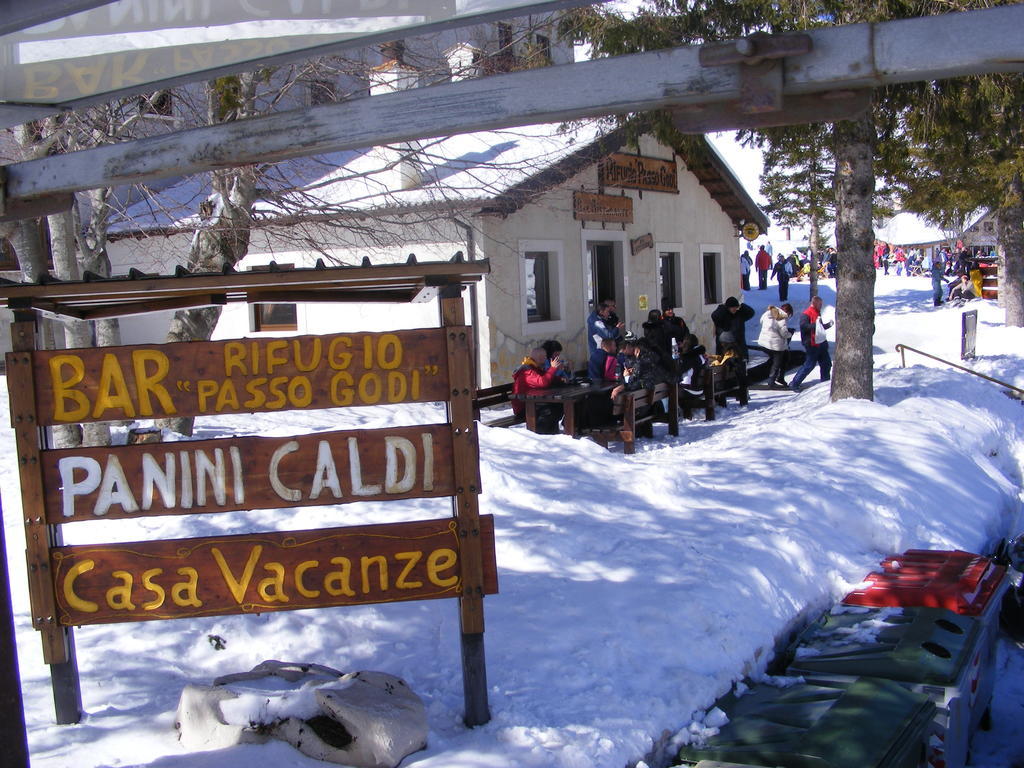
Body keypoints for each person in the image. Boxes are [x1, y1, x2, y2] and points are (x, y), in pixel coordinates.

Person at [511, 346, 566, 433]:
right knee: (550, 410)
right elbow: (542, 382)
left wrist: (560, 380)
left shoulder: (536, 367)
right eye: (544, 357)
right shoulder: (527, 371)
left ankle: (554, 432)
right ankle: (539, 434)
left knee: (559, 406)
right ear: (539, 358)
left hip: (535, 402)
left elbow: (546, 377)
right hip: (525, 407)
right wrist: (553, 368)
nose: (546, 359)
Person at [789, 296, 832, 392]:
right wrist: (816, 325)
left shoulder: (817, 312)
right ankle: (795, 383)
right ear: (815, 303)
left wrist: (827, 325)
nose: (821, 306)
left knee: (826, 363)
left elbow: (819, 328)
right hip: (811, 343)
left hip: (820, 342)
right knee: (809, 364)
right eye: (820, 304)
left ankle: (825, 383)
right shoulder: (806, 313)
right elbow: (804, 326)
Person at [757, 303, 794, 389]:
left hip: (764, 341)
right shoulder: (781, 317)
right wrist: (790, 334)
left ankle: (780, 378)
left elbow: (761, 321)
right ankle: (771, 381)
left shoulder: (768, 313)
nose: (788, 317)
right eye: (789, 315)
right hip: (775, 344)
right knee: (777, 362)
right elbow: (784, 334)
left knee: (785, 356)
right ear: (787, 312)